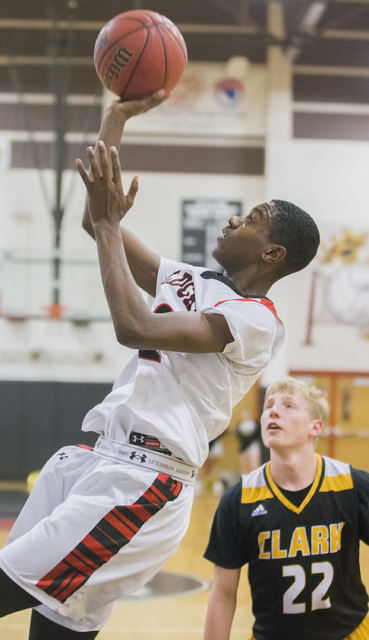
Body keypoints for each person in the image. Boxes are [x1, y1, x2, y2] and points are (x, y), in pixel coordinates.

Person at [0, 91, 320, 639]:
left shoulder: (256, 321)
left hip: (143, 480)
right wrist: (116, 118)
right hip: (95, 461)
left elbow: (136, 327)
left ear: (273, 255)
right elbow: (94, 221)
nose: (234, 219)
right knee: (54, 628)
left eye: (253, 219)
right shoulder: (196, 281)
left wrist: (106, 225)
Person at [203, 377, 369, 640]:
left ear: (315, 426)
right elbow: (223, 596)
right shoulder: (239, 499)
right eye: (269, 405)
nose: (273, 410)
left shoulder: (352, 485)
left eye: (288, 405)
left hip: (351, 632)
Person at [236, 407, 262, 475]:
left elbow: (257, 436)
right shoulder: (240, 425)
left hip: (253, 446)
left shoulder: (255, 424)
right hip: (243, 447)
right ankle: (245, 483)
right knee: (244, 467)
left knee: (254, 466)